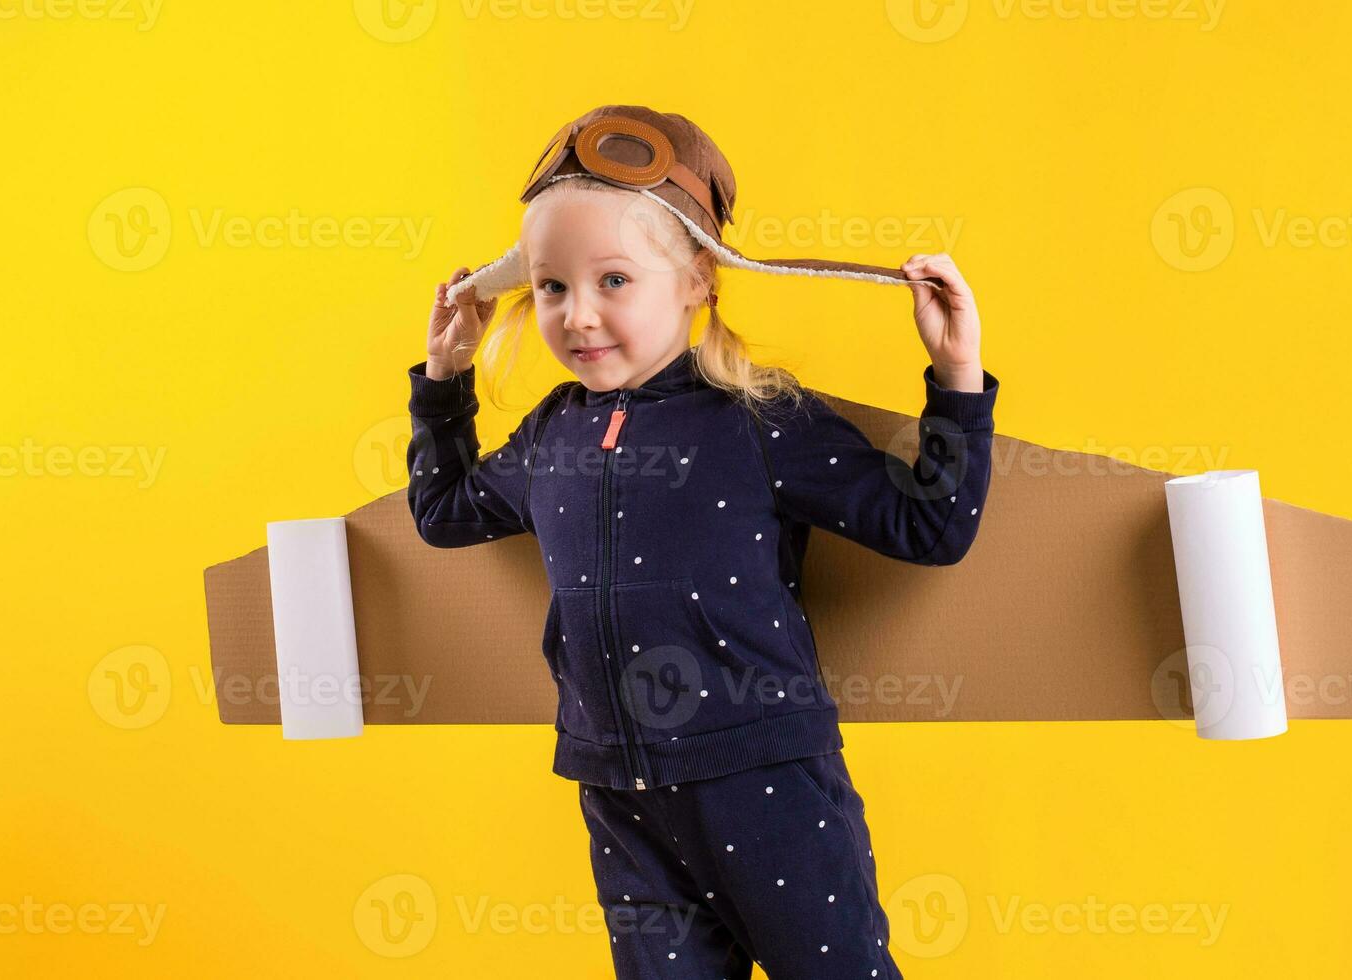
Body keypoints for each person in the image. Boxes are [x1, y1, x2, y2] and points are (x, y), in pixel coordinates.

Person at [406, 105, 999, 979]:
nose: (576, 315)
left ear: (696, 281)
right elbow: (443, 511)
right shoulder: (549, 435)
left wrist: (957, 377)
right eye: (550, 287)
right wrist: (445, 379)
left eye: (613, 280)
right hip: (621, 802)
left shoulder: (759, 419)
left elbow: (929, 526)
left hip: (767, 789)